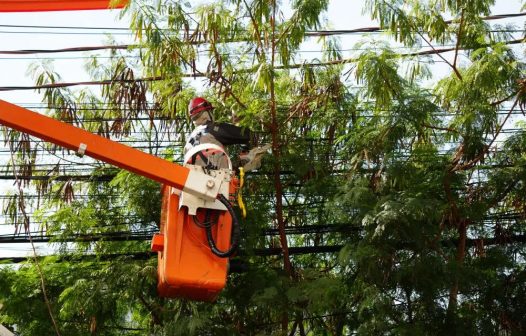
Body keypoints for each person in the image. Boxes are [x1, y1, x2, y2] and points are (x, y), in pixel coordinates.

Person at [184, 97, 269, 171]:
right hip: (215, 182)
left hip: (194, 183)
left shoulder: (189, 142)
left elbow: (206, 162)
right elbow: (246, 135)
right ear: (206, 113)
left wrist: (240, 163)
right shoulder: (212, 129)